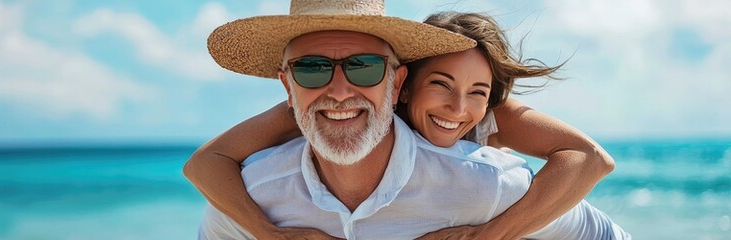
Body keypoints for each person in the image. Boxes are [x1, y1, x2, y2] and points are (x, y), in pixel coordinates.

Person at [190, 0, 628, 239]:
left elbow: (589, 163)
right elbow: (206, 163)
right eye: (312, 69)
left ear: (395, 83)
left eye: (364, 68)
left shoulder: (487, 180)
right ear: (287, 87)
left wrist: (486, 237)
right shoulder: (259, 191)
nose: (339, 91)